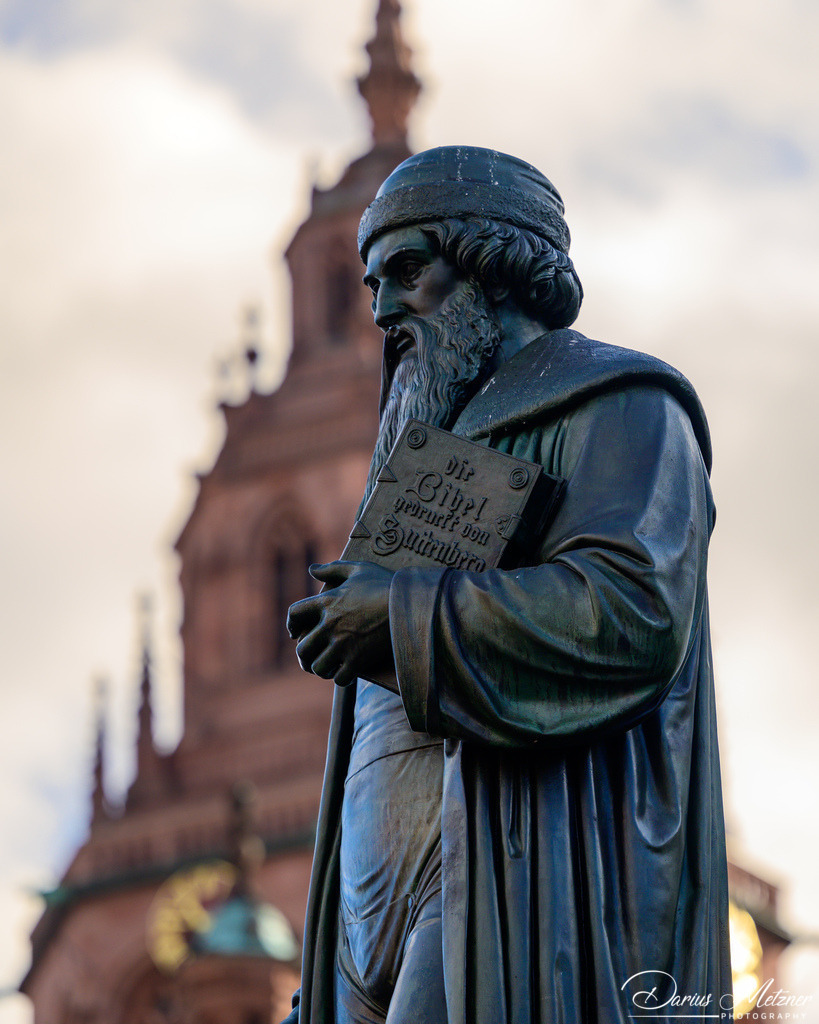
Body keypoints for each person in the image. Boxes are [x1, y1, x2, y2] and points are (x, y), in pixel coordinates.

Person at [285, 146, 731, 1024]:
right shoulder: (418, 464)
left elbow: (633, 612)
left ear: (495, 263)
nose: (381, 309)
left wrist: (401, 611)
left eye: (407, 271)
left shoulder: (624, 404)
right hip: (359, 927)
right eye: (371, 281)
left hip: (511, 876)